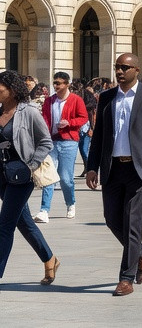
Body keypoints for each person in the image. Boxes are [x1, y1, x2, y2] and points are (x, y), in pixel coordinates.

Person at [84, 53, 142, 296]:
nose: (120, 71)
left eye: (125, 67)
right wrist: (92, 166)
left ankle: (126, 278)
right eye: (117, 67)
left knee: (132, 224)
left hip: (138, 170)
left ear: (136, 70)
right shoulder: (107, 98)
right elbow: (98, 135)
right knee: (111, 218)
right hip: (112, 169)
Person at [0, 70, 60, 285]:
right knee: (23, 222)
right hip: (3, 175)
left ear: (12, 90)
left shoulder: (29, 112)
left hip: (21, 175)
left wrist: (31, 165)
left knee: (4, 225)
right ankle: (49, 258)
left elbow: (46, 142)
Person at [37, 71, 87, 223]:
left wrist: (69, 123)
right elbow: (45, 119)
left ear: (67, 84)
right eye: (54, 83)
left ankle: (70, 203)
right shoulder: (49, 101)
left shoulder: (76, 100)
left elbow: (84, 117)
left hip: (69, 141)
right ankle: (44, 210)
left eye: (59, 83)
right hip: (51, 142)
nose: (56, 86)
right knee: (49, 176)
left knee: (66, 178)